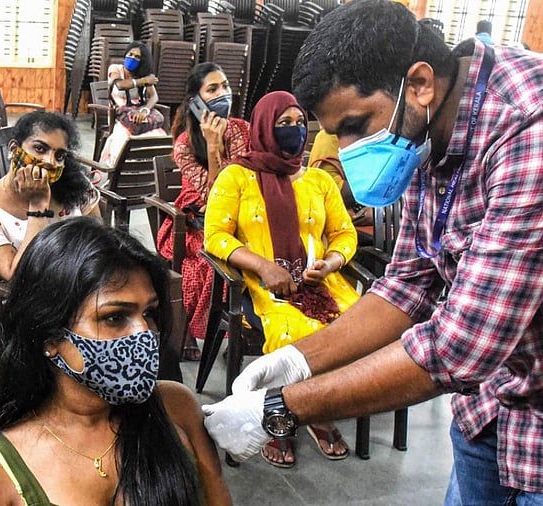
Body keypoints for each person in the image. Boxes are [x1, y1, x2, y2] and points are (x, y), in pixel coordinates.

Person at [201, 1, 543, 503]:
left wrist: (281, 407)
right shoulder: (427, 123)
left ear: (420, 83)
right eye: (336, 134)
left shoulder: (527, 135)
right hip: (491, 405)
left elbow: (462, 346)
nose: (346, 149)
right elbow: (409, 283)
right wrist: (298, 360)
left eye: (356, 126)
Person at [0, 217, 232, 505]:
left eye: (148, 314)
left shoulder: (176, 408)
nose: (144, 334)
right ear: (50, 337)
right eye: (114, 317)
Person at [203, 91, 359, 467]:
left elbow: (344, 234)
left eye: (300, 123)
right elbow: (215, 236)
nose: (295, 132)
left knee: (357, 326)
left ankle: (315, 408)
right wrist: (263, 266)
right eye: (283, 124)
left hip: (320, 281)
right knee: (295, 330)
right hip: (263, 286)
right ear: (263, 128)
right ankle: (285, 416)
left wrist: (331, 262)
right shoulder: (236, 177)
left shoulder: (319, 180)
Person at [155, 62, 251, 361]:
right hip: (196, 220)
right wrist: (212, 147)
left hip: (242, 215)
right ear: (195, 101)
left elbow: (243, 185)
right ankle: (198, 333)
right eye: (213, 89)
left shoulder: (240, 129)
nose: (223, 93)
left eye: (224, 86)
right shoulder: (184, 144)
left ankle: (241, 329)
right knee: (203, 265)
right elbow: (215, 195)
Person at [0, 111, 100, 281]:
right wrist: (38, 207)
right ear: (14, 149)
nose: (50, 161)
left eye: (59, 156)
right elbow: (17, 275)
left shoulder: (75, 186)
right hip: (41, 298)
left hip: (88, 282)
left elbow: (99, 238)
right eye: (40, 149)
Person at [98, 41, 167, 166]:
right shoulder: (115, 69)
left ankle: (147, 172)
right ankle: (122, 170)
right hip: (119, 114)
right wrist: (144, 81)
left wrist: (145, 110)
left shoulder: (143, 73)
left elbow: (154, 96)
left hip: (139, 112)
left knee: (155, 135)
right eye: (130, 54)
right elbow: (119, 85)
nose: (132, 58)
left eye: (137, 57)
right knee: (125, 137)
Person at [306, 129, 375, 242]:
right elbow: (332, 189)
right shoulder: (329, 137)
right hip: (339, 227)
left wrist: (380, 209)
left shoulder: (376, 134)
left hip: (381, 221)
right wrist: (376, 196)